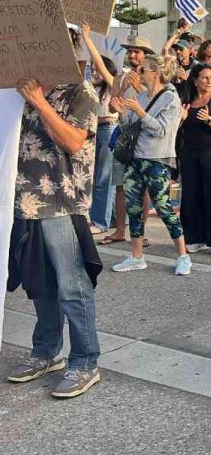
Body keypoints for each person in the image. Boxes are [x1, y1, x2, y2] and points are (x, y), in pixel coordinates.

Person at [6, 46, 102, 398]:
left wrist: (40, 102)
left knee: (72, 286)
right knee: (40, 284)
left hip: (62, 205)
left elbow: (74, 141)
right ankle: (46, 351)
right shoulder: (19, 89)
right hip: (23, 204)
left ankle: (85, 361)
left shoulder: (80, 91)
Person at [110, 55, 191, 275]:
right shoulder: (143, 97)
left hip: (158, 159)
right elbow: (130, 126)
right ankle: (136, 256)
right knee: (133, 208)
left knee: (164, 208)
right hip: (135, 158)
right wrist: (121, 113)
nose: (138, 72)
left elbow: (162, 130)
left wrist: (139, 112)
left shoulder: (171, 98)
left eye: (142, 68)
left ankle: (183, 256)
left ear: (155, 72)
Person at [101, 35, 155, 246]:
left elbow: (157, 103)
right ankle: (119, 230)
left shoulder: (153, 77)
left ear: (145, 55)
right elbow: (112, 106)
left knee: (143, 186)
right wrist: (123, 89)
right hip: (123, 134)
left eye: (137, 52)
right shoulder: (119, 77)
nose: (133, 55)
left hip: (144, 135)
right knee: (120, 185)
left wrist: (139, 87)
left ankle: (140, 231)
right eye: (130, 51)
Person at [179, 64, 211, 259]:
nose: (209, 81)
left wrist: (208, 119)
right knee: (191, 195)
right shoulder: (188, 100)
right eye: (204, 77)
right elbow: (180, 127)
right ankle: (194, 238)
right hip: (190, 152)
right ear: (195, 80)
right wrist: (182, 118)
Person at [80, 23, 119, 236]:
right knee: (96, 177)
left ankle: (101, 222)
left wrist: (87, 37)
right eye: (92, 70)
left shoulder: (113, 85)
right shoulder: (90, 89)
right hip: (93, 131)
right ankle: (106, 218)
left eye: (96, 70)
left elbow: (99, 63)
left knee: (104, 178)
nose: (94, 72)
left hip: (108, 129)